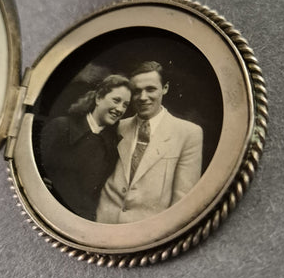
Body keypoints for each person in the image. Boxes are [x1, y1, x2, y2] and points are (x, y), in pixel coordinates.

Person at [96, 62, 203, 224]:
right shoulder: (118, 126)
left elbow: (182, 203)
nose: (143, 97)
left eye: (151, 89)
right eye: (136, 91)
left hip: (148, 230)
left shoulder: (188, 133)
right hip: (103, 222)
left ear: (165, 88)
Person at [40, 75, 132, 221]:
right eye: (116, 100)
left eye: (125, 105)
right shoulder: (61, 127)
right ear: (99, 98)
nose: (120, 109)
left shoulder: (112, 147)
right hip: (45, 211)